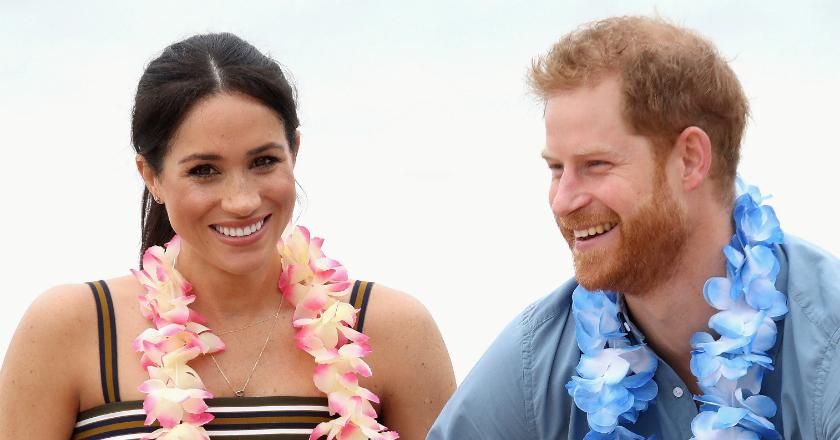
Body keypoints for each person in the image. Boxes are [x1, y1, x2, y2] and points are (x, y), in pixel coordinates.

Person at [0, 32, 455, 439]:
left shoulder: (393, 330)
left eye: (264, 161)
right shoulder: (68, 330)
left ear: (294, 152)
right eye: (204, 170)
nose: (241, 201)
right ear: (151, 176)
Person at [429, 16, 840, 440]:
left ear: (690, 159)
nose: (563, 201)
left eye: (595, 165)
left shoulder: (827, 344)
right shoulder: (537, 360)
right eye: (556, 168)